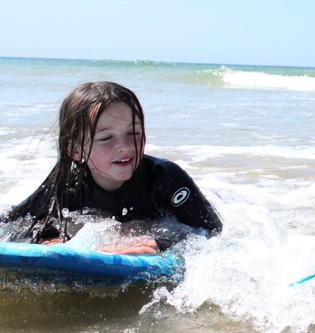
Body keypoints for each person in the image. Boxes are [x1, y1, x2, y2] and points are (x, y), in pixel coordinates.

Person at [3, 81, 222, 254]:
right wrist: (44, 239)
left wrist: (160, 243)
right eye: (107, 138)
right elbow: (12, 225)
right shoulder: (67, 181)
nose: (126, 147)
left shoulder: (165, 178)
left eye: (134, 133)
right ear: (75, 150)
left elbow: (210, 229)